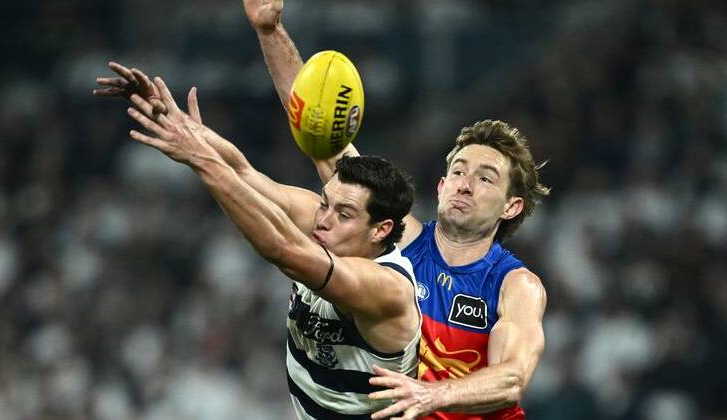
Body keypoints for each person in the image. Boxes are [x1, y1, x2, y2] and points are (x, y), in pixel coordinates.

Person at [241, 1, 549, 419]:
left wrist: (433, 395)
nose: (465, 183)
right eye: (458, 170)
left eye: (485, 177)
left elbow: (512, 378)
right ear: (440, 186)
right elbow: (321, 129)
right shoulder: (395, 242)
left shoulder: (514, 285)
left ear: (512, 206)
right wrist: (269, 30)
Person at [96, 70, 423, 419]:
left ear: (380, 230)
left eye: (344, 213)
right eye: (325, 203)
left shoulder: (386, 289)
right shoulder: (325, 225)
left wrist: (200, 159)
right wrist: (180, 124)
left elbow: (284, 250)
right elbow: (244, 173)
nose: (324, 218)